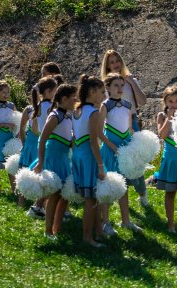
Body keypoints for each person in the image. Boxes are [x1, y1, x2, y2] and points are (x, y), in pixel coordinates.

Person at [100, 50, 149, 207]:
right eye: (112, 62)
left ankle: (142, 194)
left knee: (135, 161)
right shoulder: (104, 85)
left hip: (131, 123)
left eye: (117, 61)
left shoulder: (129, 80)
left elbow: (143, 101)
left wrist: (132, 82)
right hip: (112, 128)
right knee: (115, 160)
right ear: (107, 65)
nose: (115, 65)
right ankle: (118, 193)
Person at [98, 73, 145, 235]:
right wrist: (113, 148)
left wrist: (134, 144)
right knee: (108, 185)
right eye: (116, 85)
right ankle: (105, 222)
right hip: (110, 150)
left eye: (121, 85)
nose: (119, 88)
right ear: (108, 88)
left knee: (123, 186)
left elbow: (130, 128)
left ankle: (126, 221)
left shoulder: (127, 104)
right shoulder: (105, 105)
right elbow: (99, 132)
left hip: (124, 150)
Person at [34, 83, 78, 240]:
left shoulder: (67, 115)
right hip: (52, 158)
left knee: (62, 194)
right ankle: (48, 231)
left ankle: (56, 227)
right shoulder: (54, 116)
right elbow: (42, 139)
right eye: (74, 99)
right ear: (65, 99)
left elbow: (69, 138)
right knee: (54, 194)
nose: (76, 102)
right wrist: (40, 161)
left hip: (63, 159)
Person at [73, 75, 109, 248]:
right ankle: (88, 237)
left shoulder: (76, 110)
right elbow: (94, 142)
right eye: (102, 92)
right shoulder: (93, 112)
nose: (104, 96)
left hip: (78, 156)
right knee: (90, 198)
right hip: (89, 157)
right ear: (92, 92)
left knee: (92, 197)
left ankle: (98, 232)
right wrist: (101, 165)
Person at [19, 76, 57, 215]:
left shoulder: (40, 105)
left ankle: (38, 207)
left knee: (48, 177)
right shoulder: (50, 107)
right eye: (55, 90)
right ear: (48, 91)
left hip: (43, 141)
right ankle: (37, 208)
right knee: (50, 178)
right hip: (51, 143)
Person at [155, 87, 177, 232]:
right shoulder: (162, 115)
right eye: (171, 101)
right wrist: (169, 118)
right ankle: (171, 224)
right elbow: (163, 135)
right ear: (165, 102)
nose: (175, 104)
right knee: (170, 192)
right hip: (170, 159)